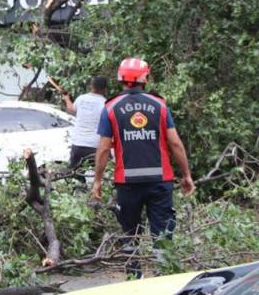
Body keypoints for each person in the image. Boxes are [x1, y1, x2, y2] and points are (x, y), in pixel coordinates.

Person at [91, 58, 195, 279]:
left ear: (120, 78)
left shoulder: (110, 108)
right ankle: (164, 279)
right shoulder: (160, 105)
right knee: (162, 235)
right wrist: (186, 175)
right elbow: (175, 143)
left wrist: (97, 180)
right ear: (145, 78)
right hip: (160, 181)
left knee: (130, 235)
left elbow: (102, 149)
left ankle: (134, 280)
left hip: (127, 184)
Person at [62, 76, 107, 171]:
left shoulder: (81, 99)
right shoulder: (105, 103)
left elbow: (71, 110)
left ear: (91, 86)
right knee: (100, 174)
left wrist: (67, 99)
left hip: (78, 144)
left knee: (73, 174)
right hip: (95, 146)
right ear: (105, 89)